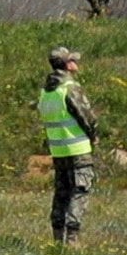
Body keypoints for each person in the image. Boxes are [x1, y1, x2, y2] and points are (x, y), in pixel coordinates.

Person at [39, 46, 99, 244]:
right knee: (79, 191)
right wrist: (94, 135)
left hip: (58, 151)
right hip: (78, 150)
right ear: (68, 65)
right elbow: (87, 117)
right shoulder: (69, 88)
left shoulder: (46, 92)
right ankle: (72, 240)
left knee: (62, 192)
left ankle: (57, 238)